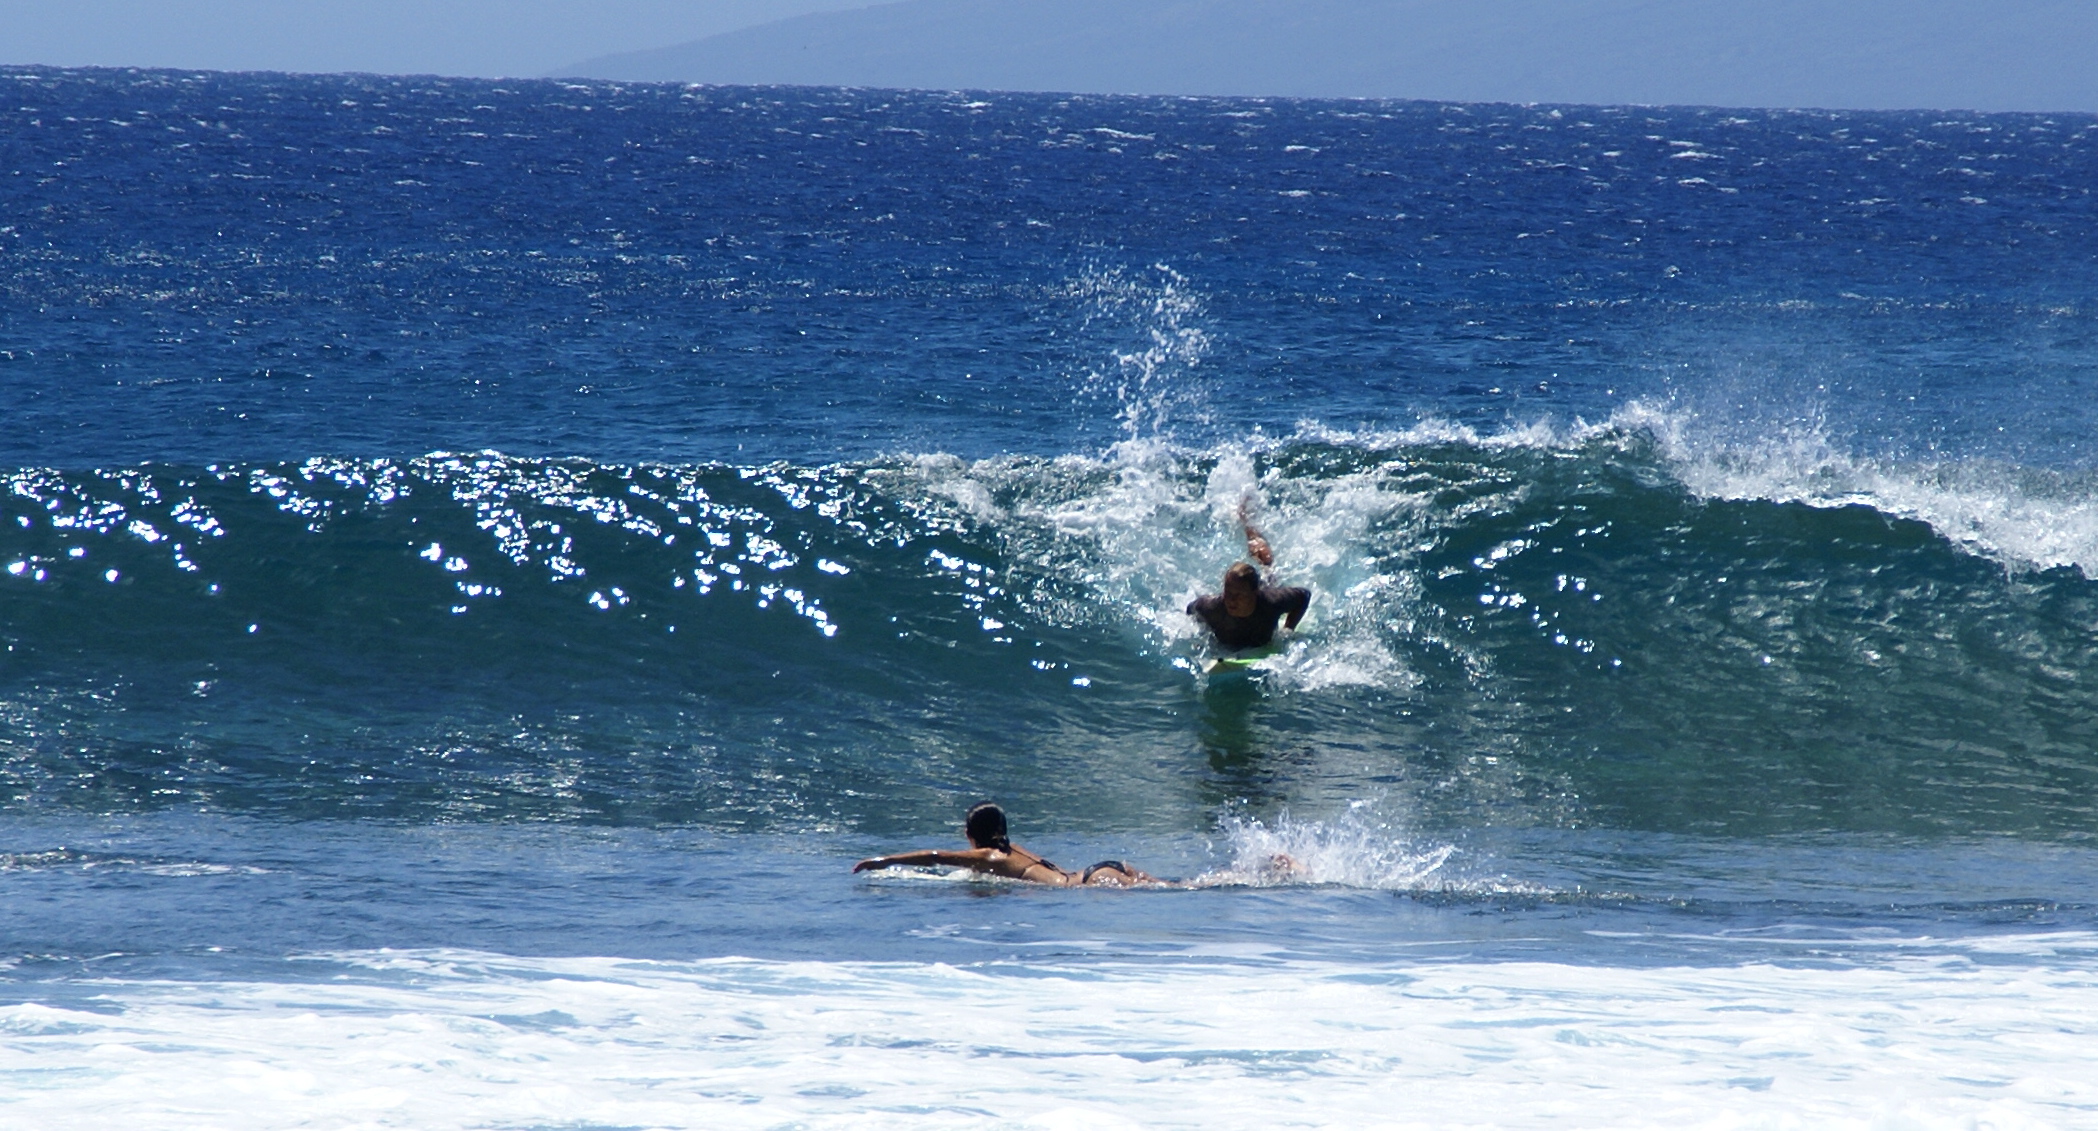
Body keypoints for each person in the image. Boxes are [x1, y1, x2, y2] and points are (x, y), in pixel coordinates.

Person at [852, 802, 1161, 887]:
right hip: (1100, 870)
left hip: (1089, 884)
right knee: (1180, 885)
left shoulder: (989, 856)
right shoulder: (1014, 849)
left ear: (969, 833)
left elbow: (934, 857)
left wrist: (883, 861)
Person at [1186, 500, 1309, 651]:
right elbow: (1191, 609)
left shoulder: (1272, 602)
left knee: (1267, 568)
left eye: (1238, 595)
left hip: (1264, 589)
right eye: (1228, 592)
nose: (1231, 600)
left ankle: (1248, 523)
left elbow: (1303, 596)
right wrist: (1201, 638)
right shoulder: (1212, 607)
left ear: (1254, 593)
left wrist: (1288, 629)